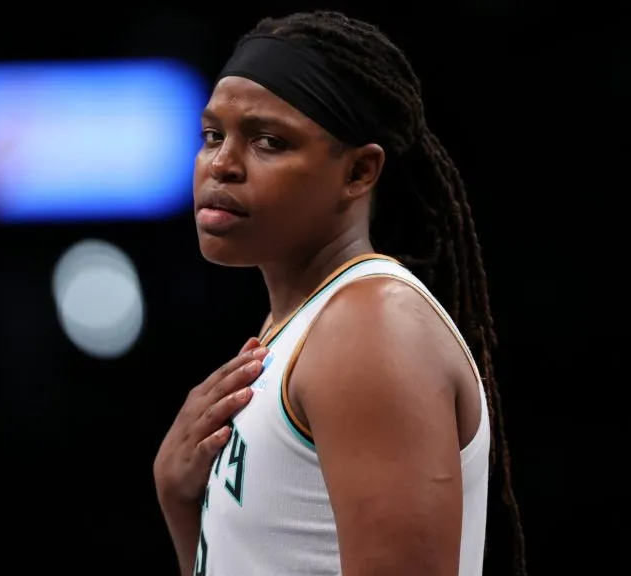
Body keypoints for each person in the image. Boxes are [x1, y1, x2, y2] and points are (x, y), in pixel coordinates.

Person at [152, 10, 526, 576]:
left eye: (269, 142)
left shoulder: (371, 324)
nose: (221, 164)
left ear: (358, 172)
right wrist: (182, 505)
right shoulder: (304, 327)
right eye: (212, 136)